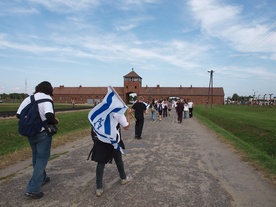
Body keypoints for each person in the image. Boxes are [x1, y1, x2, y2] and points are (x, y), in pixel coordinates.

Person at [16, 81, 58, 199]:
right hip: (42, 132)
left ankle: (42, 178)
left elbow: (19, 114)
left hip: (30, 133)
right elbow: (49, 116)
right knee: (42, 158)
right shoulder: (47, 99)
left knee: (36, 156)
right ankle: (33, 189)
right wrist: (55, 120)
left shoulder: (29, 98)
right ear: (49, 89)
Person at [90, 109, 132, 197]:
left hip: (101, 140)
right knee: (118, 160)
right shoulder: (118, 113)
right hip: (113, 141)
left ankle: (99, 187)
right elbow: (126, 127)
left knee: (100, 163)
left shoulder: (100, 110)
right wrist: (128, 115)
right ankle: (123, 178)